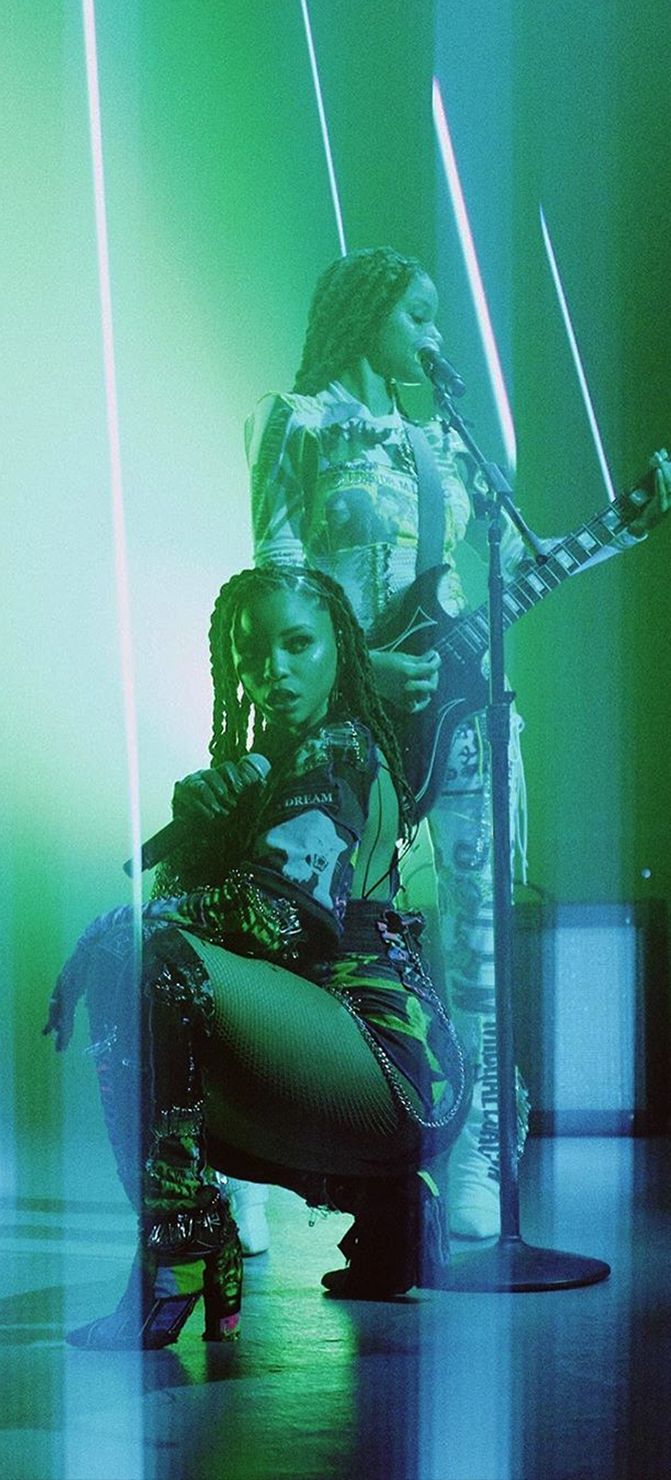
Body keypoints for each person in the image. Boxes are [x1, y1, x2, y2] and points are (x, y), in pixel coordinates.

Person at [246, 245, 671, 1239]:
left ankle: (481, 1143)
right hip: (342, 718)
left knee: (478, 940)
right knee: (302, 928)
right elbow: (273, 574)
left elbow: (509, 574)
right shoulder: (295, 421)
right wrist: (353, 668)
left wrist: (623, 525)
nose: (437, 338)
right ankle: (258, 1154)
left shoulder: (442, 447)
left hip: (465, 718)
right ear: (362, 317)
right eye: (418, 317)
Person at [44, 564, 470, 1349]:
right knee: (159, 1019)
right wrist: (199, 825)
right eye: (252, 654)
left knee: (142, 956)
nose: (273, 669)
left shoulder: (339, 746)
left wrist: (124, 928)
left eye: (297, 643)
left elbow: (281, 921)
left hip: (387, 1058)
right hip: (326, 1053)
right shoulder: (274, 761)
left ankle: (177, 1250)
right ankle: (387, 1208)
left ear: (341, 648)